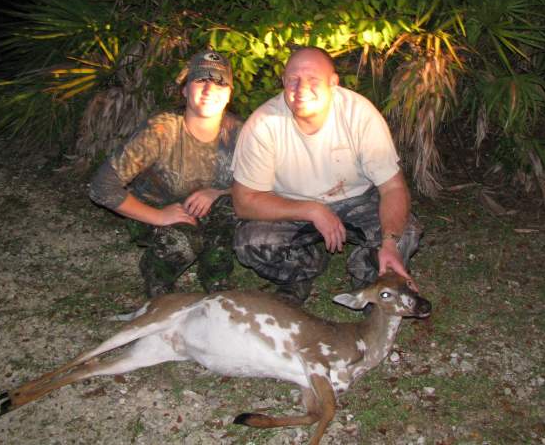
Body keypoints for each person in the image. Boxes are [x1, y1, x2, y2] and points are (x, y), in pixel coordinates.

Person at [230, 46, 422, 304]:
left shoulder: (359, 114)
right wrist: (311, 210)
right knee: (249, 243)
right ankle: (301, 273)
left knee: (405, 232)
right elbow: (244, 201)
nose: (301, 89)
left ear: (333, 83)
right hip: (294, 205)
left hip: (356, 199)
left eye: (313, 80)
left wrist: (389, 242)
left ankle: (369, 278)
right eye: (293, 80)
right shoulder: (263, 123)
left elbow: (393, 188)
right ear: (283, 82)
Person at [90, 50, 242, 297]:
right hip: (157, 212)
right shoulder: (161, 130)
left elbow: (263, 185)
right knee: (182, 242)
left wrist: (219, 191)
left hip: (204, 211)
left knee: (232, 205)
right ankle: (157, 274)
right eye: (200, 80)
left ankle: (216, 276)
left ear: (228, 95)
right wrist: (159, 216)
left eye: (219, 82)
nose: (209, 89)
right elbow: (101, 187)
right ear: (185, 90)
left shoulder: (239, 132)